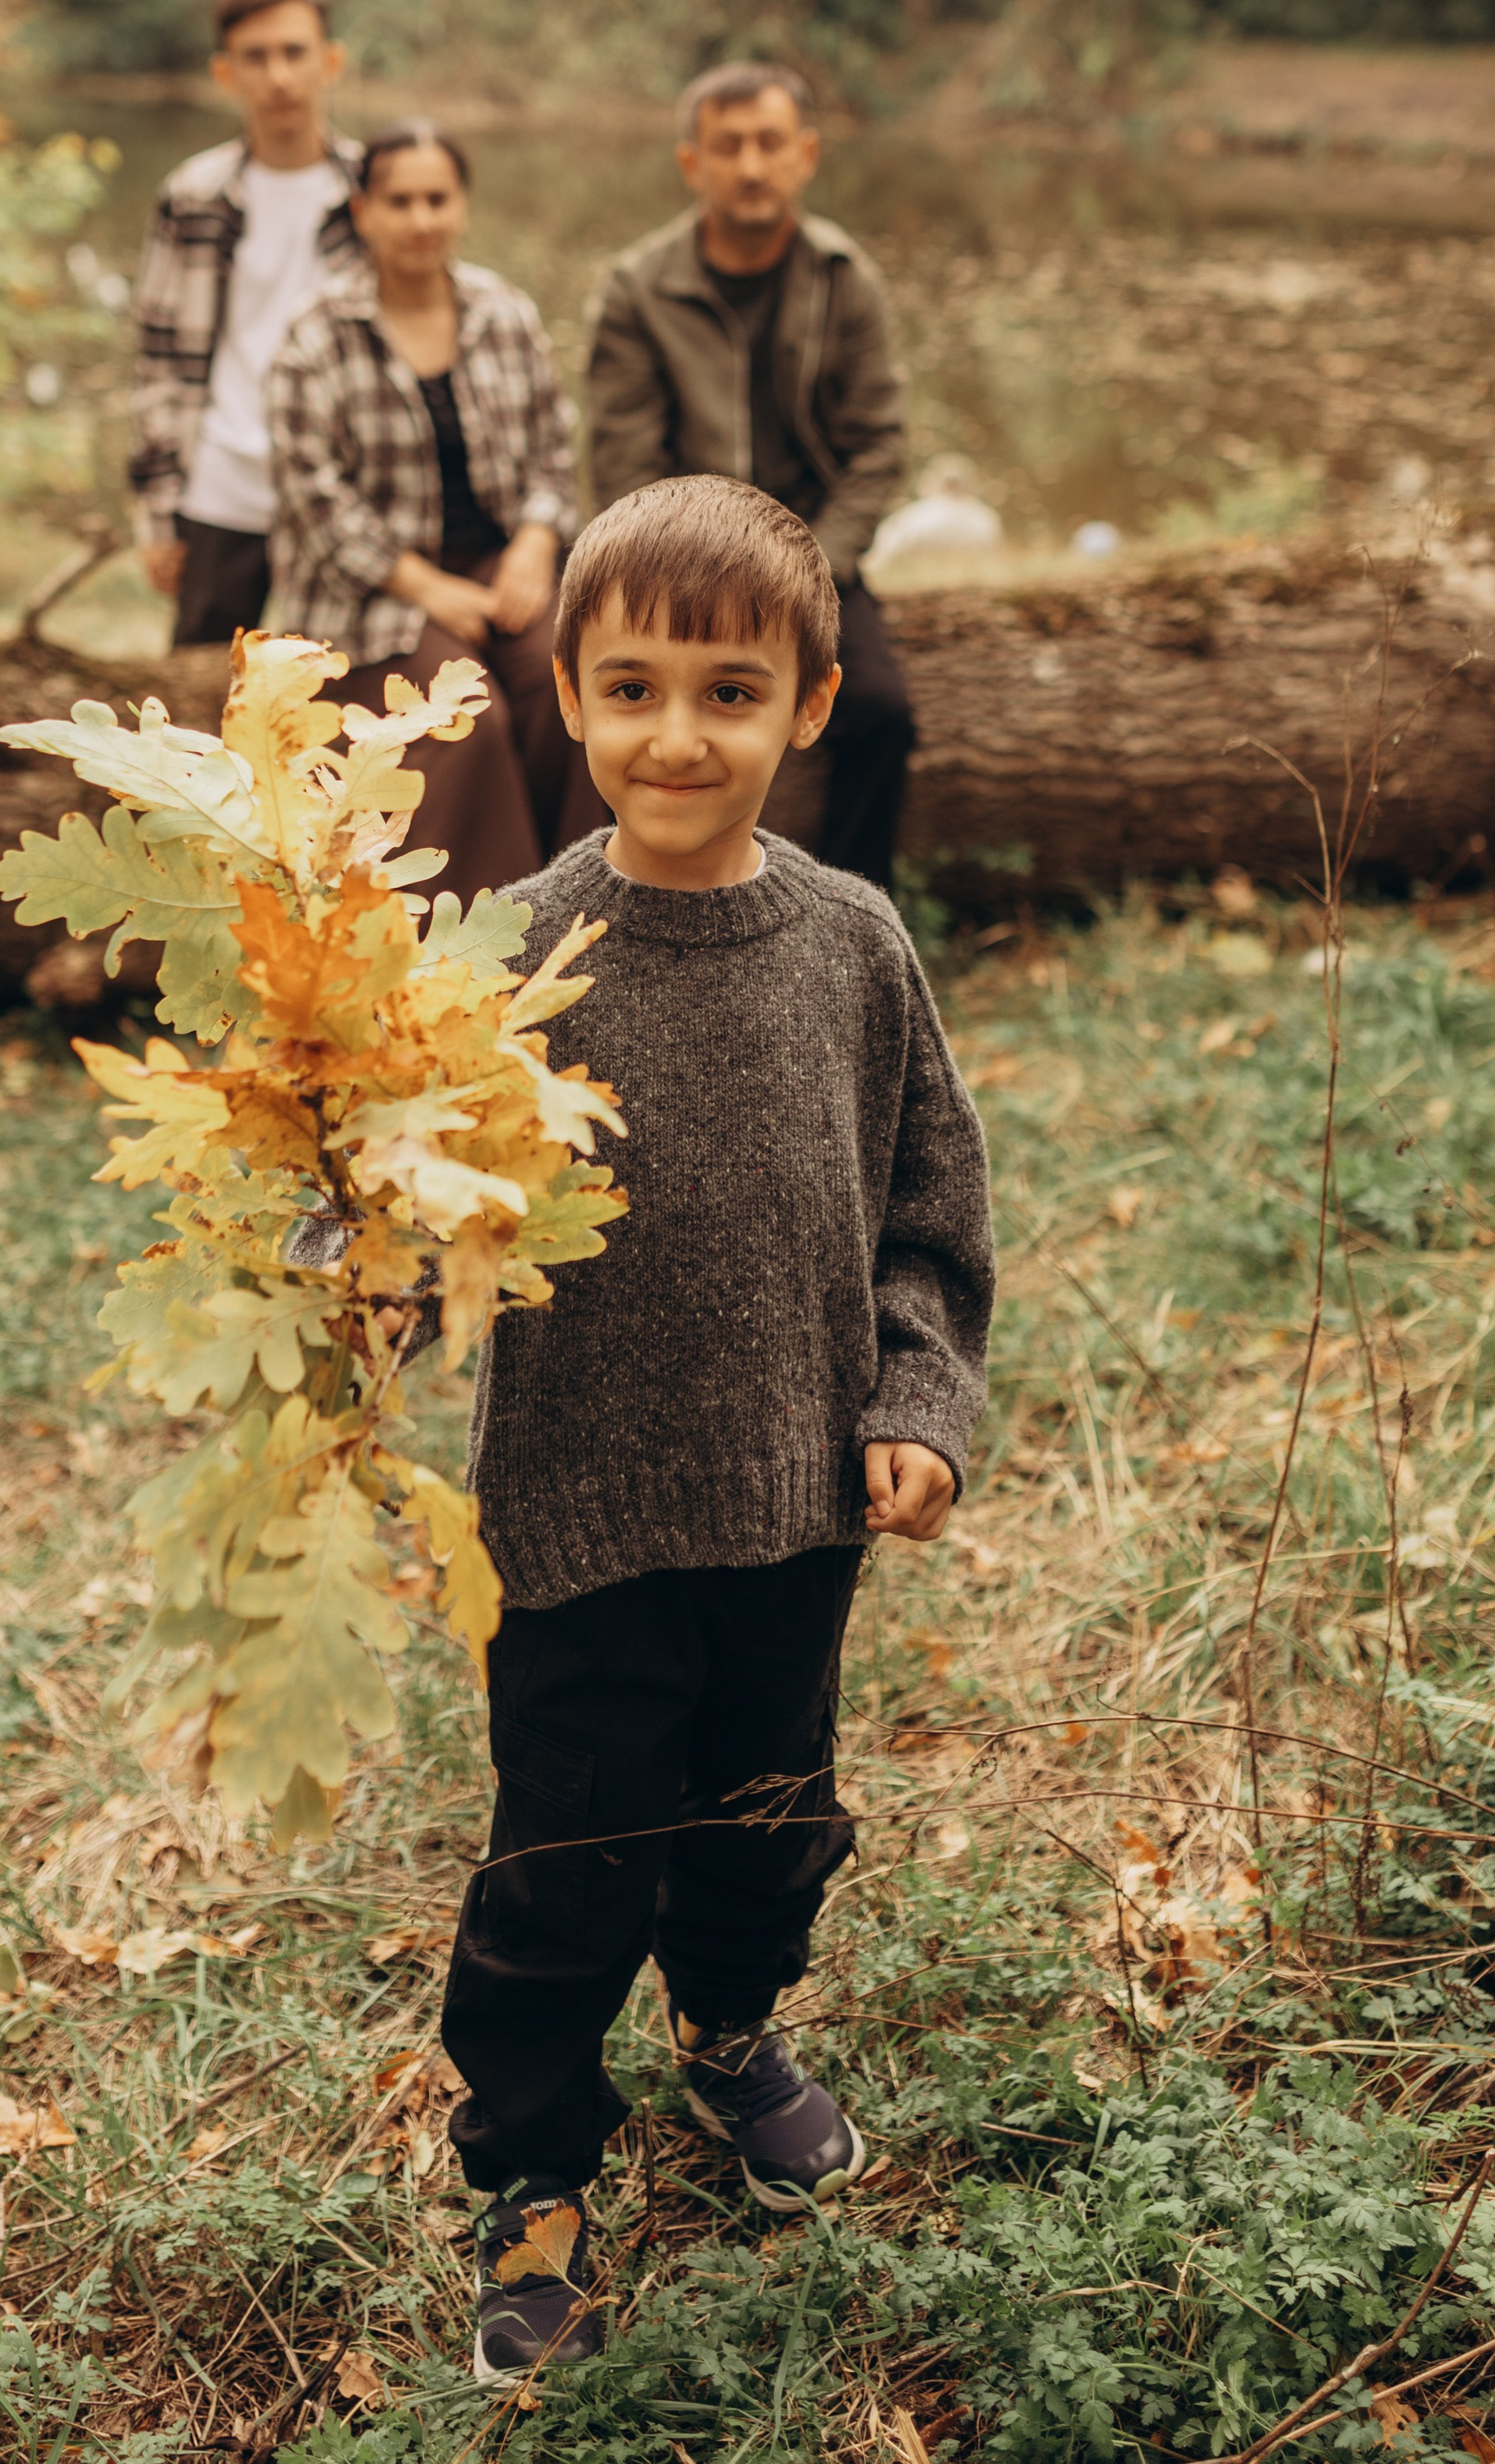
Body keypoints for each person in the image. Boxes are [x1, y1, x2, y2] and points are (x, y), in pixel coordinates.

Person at [439, 478, 995, 2389]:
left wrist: (913, 1394)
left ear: (811, 705)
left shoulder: (850, 947)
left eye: (729, 690)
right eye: (629, 687)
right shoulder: (504, 950)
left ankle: (731, 2027)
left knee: (767, 1818)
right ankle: (527, 2168)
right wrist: (339, 1231)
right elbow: (367, 1176)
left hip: (790, 1502)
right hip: (570, 1512)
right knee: (562, 1861)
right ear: (567, 703)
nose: (676, 734)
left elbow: (928, 1211)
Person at [584, 61, 918, 890]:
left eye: (769, 144)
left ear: (805, 155)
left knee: (880, 712)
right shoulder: (638, 289)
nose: (750, 165)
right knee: (630, 721)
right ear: (691, 163)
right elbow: (624, 465)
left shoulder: (844, 280)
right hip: (673, 564)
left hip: (817, 564)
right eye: (727, 147)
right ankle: (627, 898)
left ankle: (852, 914)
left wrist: (818, 569)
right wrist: (694, 571)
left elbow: (878, 448)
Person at [268, 123, 602, 907]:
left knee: (577, 684)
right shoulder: (315, 335)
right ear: (362, 210)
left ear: (460, 205)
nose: (420, 219)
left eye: (437, 199)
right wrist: (427, 588)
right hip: (373, 590)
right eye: (399, 201)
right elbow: (312, 494)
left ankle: (588, 897)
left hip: (501, 568)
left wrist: (532, 545)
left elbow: (555, 449)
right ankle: (486, 934)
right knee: (465, 720)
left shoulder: (503, 311)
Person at [126, 0, 362, 650]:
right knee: (204, 699)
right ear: (225, 73)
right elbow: (159, 361)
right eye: (256, 58)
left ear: (331, 61)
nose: (279, 76)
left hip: (340, 490)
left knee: (342, 695)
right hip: (221, 489)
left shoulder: (374, 194)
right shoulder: (193, 195)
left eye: (295, 52)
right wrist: (159, 512)